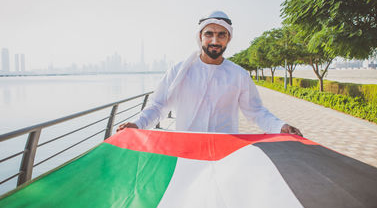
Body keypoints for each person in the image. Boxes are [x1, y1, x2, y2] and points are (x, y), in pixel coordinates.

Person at [117, 11, 302, 136]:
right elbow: (158, 107)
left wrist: (280, 126)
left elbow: (256, 112)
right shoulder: (178, 71)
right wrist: (137, 124)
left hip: (225, 153)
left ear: (229, 38)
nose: (215, 40)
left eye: (222, 34)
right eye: (209, 34)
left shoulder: (239, 75)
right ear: (200, 37)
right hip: (186, 151)